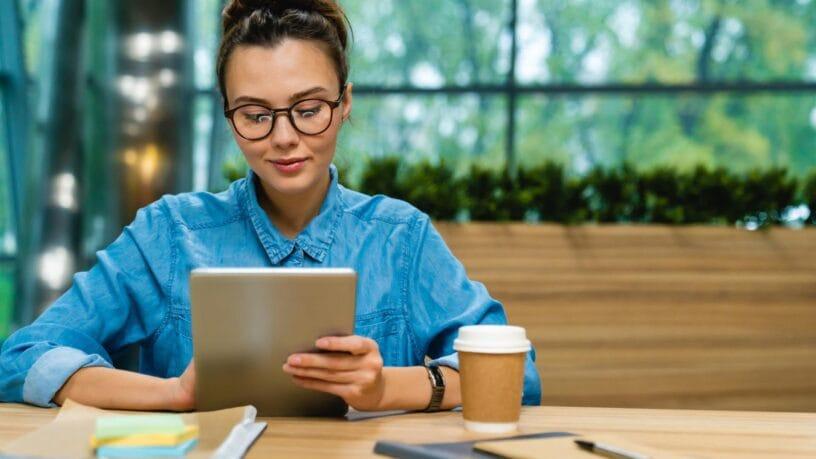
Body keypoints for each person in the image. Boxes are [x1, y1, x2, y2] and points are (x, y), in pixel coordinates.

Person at [0, 0, 541, 412]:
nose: (284, 138)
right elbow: (22, 358)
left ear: (344, 103)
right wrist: (174, 393)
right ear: (228, 113)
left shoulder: (401, 236)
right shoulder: (167, 233)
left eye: (309, 109)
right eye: (256, 115)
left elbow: (518, 376)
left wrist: (386, 388)